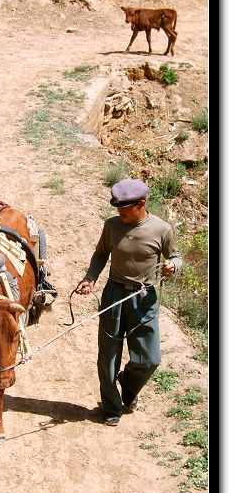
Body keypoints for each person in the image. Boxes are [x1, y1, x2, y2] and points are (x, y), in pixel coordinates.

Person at [75, 179, 182, 426]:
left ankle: (129, 386)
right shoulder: (112, 226)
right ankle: (112, 407)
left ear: (141, 204)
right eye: (117, 208)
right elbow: (101, 253)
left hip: (144, 299)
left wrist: (172, 265)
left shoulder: (162, 229)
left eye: (124, 208)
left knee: (149, 359)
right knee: (108, 356)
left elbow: (176, 257)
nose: (119, 213)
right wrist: (90, 278)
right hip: (114, 294)